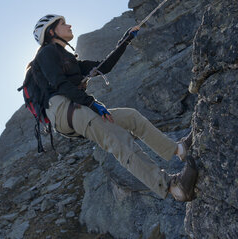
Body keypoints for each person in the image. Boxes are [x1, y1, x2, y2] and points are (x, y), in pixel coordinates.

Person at [33, 14, 197, 201]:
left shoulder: (68, 59)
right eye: (63, 23)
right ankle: (173, 188)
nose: (69, 25)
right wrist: (91, 103)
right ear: (51, 31)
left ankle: (179, 150)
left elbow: (104, 67)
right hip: (64, 109)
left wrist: (124, 41)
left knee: (131, 117)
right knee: (118, 139)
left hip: (74, 108)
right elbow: (59, 84)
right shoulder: (46, 53)